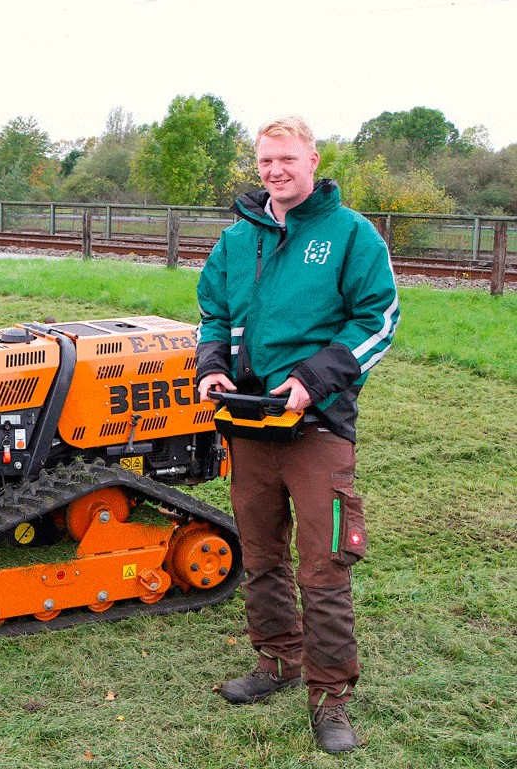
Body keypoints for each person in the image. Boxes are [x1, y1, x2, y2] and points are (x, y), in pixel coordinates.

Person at [195, 115, 399, 754]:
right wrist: (212, 370)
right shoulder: (236, 240)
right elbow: (215, 314)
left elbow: (378, 319)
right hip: (249, 424)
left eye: (286, 159)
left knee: (324, 565)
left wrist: (314, 379)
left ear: (312, 159)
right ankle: (277, 661)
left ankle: (331, 697)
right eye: (264, 162)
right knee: (259, 554)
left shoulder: (351, 235)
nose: (275, 171)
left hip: (317, 427)